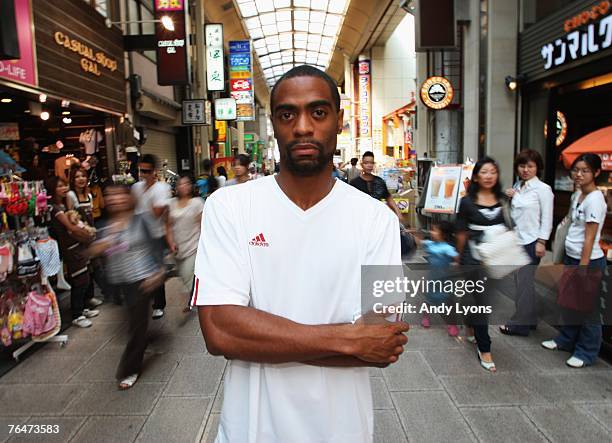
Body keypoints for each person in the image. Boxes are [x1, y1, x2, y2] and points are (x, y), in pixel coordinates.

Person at [193, 65, 409, 442]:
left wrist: (259, 336)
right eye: (288, 114)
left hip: (343, 431)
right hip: (250, 431)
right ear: (274, 124)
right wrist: (348, 338)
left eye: (318, 112)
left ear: (339, 121)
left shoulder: (377, 220)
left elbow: (381, 342)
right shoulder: (229, 207)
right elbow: (220, 332)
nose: (303, 127)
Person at [89, 185, 165, 389]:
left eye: (119, 195)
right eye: (109, 195)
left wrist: (158, 271)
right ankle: (146, 337)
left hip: (141, 279)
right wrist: (106, 241)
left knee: (135, 328)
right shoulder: (104, 225)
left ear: (129, 198)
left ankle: (130, 370)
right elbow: (93, 251)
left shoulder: (142, 220)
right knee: (132, 324)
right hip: (117, 283)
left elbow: (156, 246)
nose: (114, 199)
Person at [542, 153, 607, 368]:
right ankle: (566, 340)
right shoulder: (578, 195)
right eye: (576, 170)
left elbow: (590, 237)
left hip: (587, 261)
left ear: (596, 173)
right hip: (573, 257)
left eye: (585, 170)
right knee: (570, 303)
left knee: (587, 309)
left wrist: (583, 268)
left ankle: (586, 352)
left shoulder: (596, 200)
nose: (578, 174)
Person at [455, 156, 511, 373]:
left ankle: (470, 323)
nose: (488, 176)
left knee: (481, 299)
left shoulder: (503, 199)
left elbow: (509, 226)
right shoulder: (467, 202)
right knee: (483, 301)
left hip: (496, 257)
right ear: (476, 176)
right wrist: (459, 257)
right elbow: (460, 232)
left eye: (493, 172)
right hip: (473, 258)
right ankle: (484, 347)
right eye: (484, 172)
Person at [500, 149, 553, 336]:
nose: (525, 170)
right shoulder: (518, 186)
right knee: (523, 283)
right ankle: (528, 319)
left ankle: (520, 324)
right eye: (522, 166)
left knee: (524, 283)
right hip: (517, 241)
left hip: (531, 242)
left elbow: (547, 218)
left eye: (530, 166)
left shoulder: (543, 190)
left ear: (537, 168)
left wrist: (542, 241)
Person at [46, 176, 98, 327]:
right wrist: (87, 235)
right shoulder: (55, 209)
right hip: (70, 248)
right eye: (60, 186)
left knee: (85, 277)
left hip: (77, 245)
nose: (64, 188)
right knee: (79, 279)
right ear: (52, 189)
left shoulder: (63, 205)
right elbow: (71, 227)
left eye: (65, 185)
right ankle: (77, 315)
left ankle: (82, 308)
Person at [132, 154, 171, 320]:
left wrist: (147, 194)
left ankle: (159, 304)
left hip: (156, 235)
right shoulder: (135, 187)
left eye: (147, 171)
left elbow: (157, 214)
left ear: (154, 171)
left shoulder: (162, 188)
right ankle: (143, 300)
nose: (143, 174)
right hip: (138, 235)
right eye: (141, 170)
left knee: (156, 269)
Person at [67, 167, 105, 307]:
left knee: (94, 266)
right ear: (72, 180)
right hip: (79, 236)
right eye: (77, 177)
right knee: (84, 269)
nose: (81, 179)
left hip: (90, 234)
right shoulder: (71, 196)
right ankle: (84, 301)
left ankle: (91, 296)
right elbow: (71, 217)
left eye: (83, 176)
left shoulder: (89, 196)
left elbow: (90, 217)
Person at [167, 175, 204, 312]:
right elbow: (168, 226)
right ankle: (195, 296)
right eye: (180, 184)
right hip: (178, 247)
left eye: (186, 183)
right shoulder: (171, 203)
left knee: (187, 273)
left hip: (194, 245)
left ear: (191, 186)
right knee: (184, 275)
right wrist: (170, 242)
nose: (183, 186)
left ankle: (191, 301)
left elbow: (202, 226)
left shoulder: (197, 202)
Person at [418, 220, 460, 336]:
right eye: (431, 230)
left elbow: (456, 257)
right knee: (429, 298)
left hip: (445, 280)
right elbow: (420, 242)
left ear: (443, 233)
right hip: (432, 278)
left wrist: (456, 266)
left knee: (448, 301)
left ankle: (452, 324)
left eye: (434, 230)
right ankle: (426, 316)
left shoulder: (447, 248)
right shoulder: (431, 244)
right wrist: (413, 234)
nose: (431, 232)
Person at [350, 151, 402, 219]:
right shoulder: (354, 183)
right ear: (362, 165)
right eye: (366, 163)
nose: (369, 165)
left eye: (371, 163)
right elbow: (350, 203)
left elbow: (388, 197)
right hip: (360, 218)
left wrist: (399, 215)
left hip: (377, 218)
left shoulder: (379, 181)